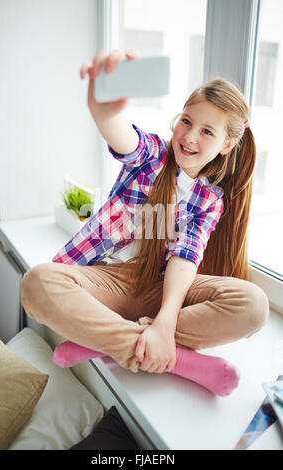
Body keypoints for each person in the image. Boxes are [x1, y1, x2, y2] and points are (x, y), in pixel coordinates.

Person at [20, 50, 269, 397]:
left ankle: (110, 342)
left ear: (227, 144)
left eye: (207, 131)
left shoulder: (210, 200)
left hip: (162, 289)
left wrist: (166, 322)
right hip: (108, 279)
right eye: (186, 121)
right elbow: (124, 139)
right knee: (36, 283)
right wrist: (104, 113)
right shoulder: (152, 156)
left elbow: (186, 259)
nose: (190, 136)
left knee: (253, 305)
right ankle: (170, 358)